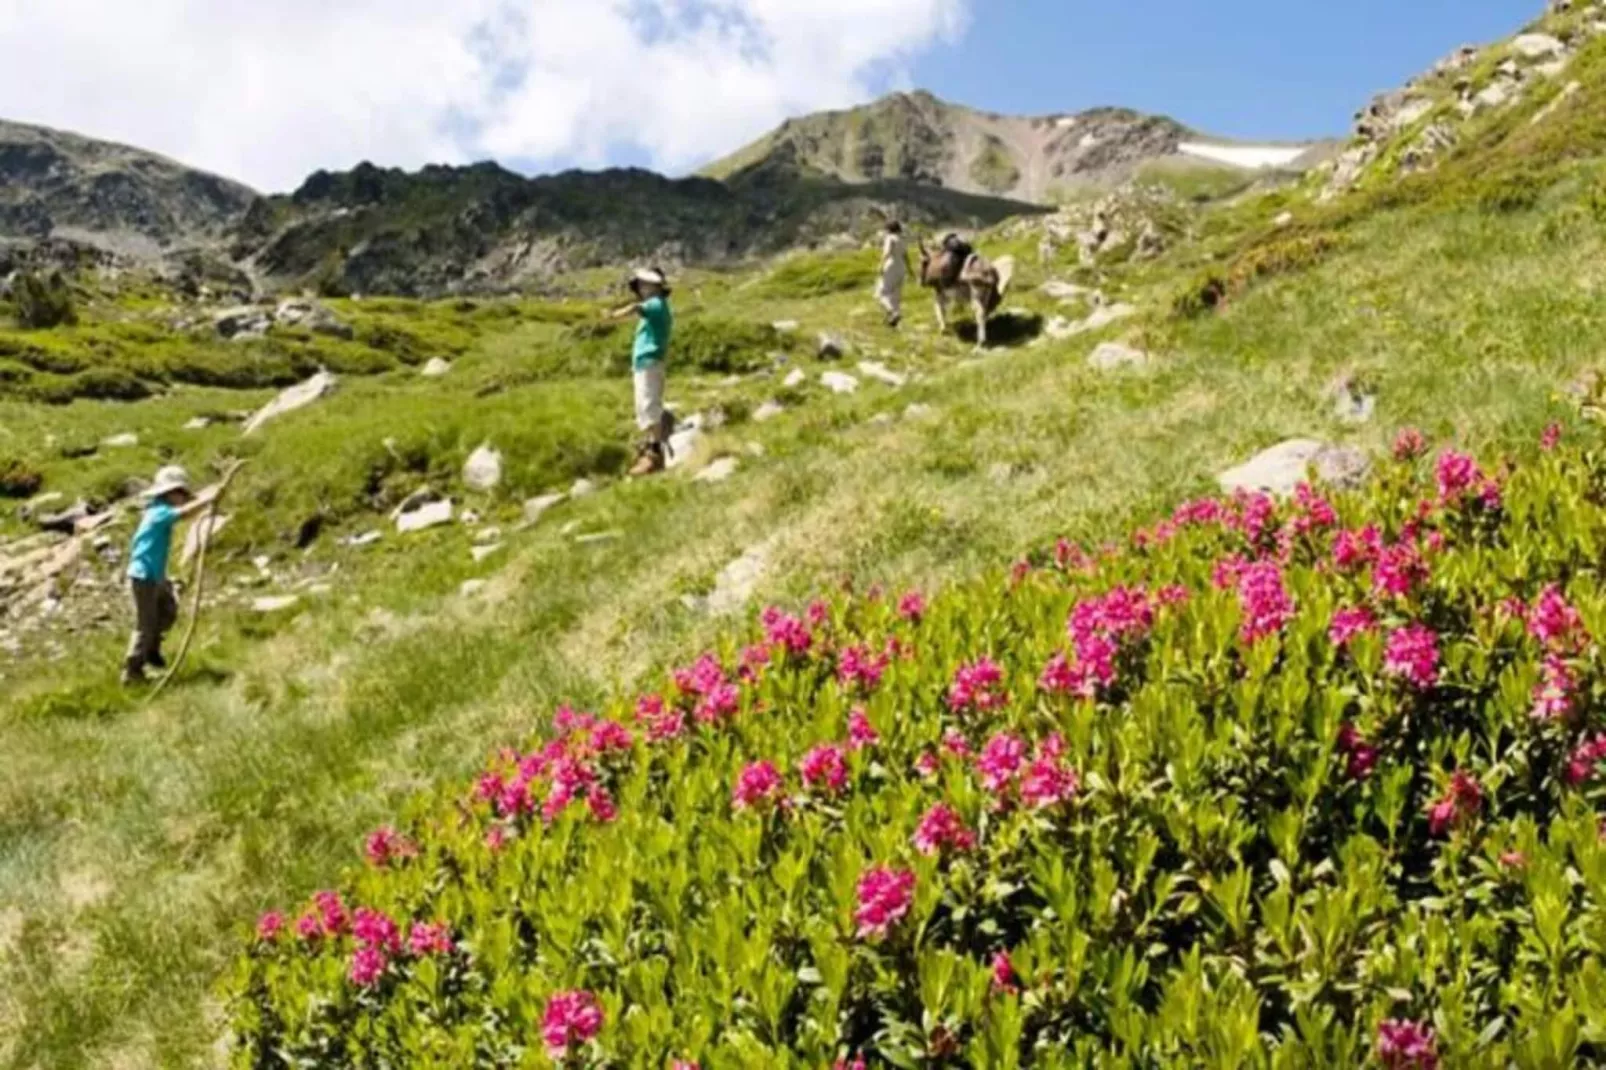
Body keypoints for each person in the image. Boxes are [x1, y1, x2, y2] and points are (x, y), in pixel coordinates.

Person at [122, 465, 213, 684]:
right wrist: (207, 501)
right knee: (146, 623)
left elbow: (187, 511)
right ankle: (133, 669)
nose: (182, 498)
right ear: (170, 493)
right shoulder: (158, 512)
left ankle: (152, 651)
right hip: (143, 576)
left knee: (168, 610)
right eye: (180, 494)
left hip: (155, 575)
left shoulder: (160, 511)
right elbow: (184, 513)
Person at [607, 268, 675, 476]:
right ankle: (650, 446)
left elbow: (637, 308)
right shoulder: (656, 306)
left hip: (649, 361)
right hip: (645, 362)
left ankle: (654, 453)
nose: (643, 289)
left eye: (646, 285)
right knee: (643, 405)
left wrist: (614, 315)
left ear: (656, 287)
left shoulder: (656, 304)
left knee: (648, 403)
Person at [875, 220, 911, 327]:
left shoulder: (890, 238)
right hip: (901, 268)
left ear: (889, 229)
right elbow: (905, 255)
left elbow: (887, 252)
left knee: (881, 294)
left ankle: (893, 313)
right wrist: (910, 270)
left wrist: (881, 264)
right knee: (895, 295)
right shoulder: (902, 239)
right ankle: (892, 321)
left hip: (891, 265)